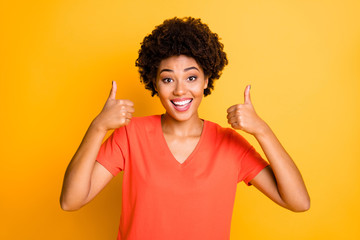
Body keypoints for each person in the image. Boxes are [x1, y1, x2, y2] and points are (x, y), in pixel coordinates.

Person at [60, 17, 310, 240]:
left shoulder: (230, 145)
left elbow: (298, 202)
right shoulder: (130, 135)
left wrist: (262, 130)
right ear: (154, 83)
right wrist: (98, 126)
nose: (180, 90)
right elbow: (71, 201)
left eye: (191, 77)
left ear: (206, 81)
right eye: (168, 79)